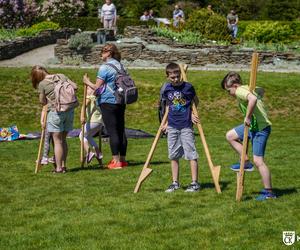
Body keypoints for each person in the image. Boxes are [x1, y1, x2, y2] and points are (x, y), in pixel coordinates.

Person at [221, 72, 276, 200]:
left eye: (229, 91)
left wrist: (248, 116)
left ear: (235, 86)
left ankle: (269, 193)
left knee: (259, 161)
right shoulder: (247, 88)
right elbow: (260, 92)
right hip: (252, 127)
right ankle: (245, 160)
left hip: (260, 129)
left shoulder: (240, 90)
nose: (229, 94)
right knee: (230, 136)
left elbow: (253, 99)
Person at [83, 43, 128, 170]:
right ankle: (123, 159)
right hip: (121, 100)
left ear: (109, 53)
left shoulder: (104, 68)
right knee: (120, 129)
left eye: (103, 51)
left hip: (108, 101)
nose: (101, 54)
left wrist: (87, 82)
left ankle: (115, 161)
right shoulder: (121, 66)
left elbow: (97, 88)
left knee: (112, 130)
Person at [161, 63, 200, 193]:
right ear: (167, 77)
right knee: (173, 155)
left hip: (186, 125)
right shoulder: (167, 89)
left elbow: (196, 101)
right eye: (172, 77)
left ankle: (194, 183)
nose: (176, 79)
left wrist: (193, 114)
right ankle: (175, 182)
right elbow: (168, 105)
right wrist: (165, 122)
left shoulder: (188, 87)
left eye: (177, 76)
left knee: (191, 153)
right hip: (172, 125)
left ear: (181, 75)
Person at [31, 66, 77, 173]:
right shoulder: (61, 75)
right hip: (69, 111)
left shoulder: (43, 84)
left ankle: (59, 168)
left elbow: (42, 102)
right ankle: (64, 166)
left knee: (57, 141)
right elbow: (75, 87)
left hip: (56, 113)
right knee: (63, 140)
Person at [79, 85, 103, 166]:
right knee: (88, 137)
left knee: (81, 135)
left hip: (92, 121)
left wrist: (82, 116)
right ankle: (98, 153)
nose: (86, 89)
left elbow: (84, 106)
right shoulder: (98, 98)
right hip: (99, 122)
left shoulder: (90, 98)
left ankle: (89, 152)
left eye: (88, 88)